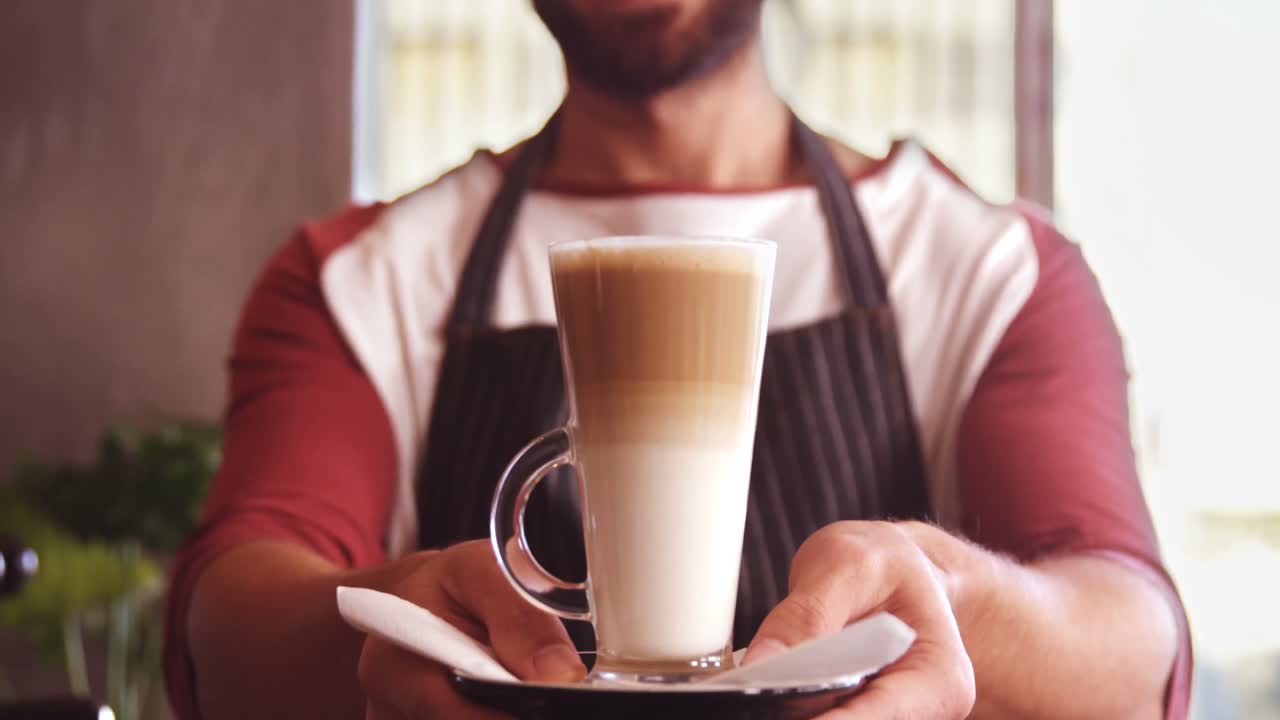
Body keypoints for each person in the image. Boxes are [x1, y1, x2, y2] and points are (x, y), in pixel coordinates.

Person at [163, 1, 1192, 718]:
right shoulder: (359, 279)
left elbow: (1131, 659)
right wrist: (407, 623)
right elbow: (224, 630)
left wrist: (946, 597)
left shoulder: (990, 272)